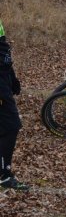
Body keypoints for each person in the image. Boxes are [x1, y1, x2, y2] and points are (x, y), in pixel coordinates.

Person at [0, 19, 27, 190]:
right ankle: (4, 175)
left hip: (4, 87)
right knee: (11, 127)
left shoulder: (3, 47)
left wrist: (13, 80)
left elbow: (5, 65)